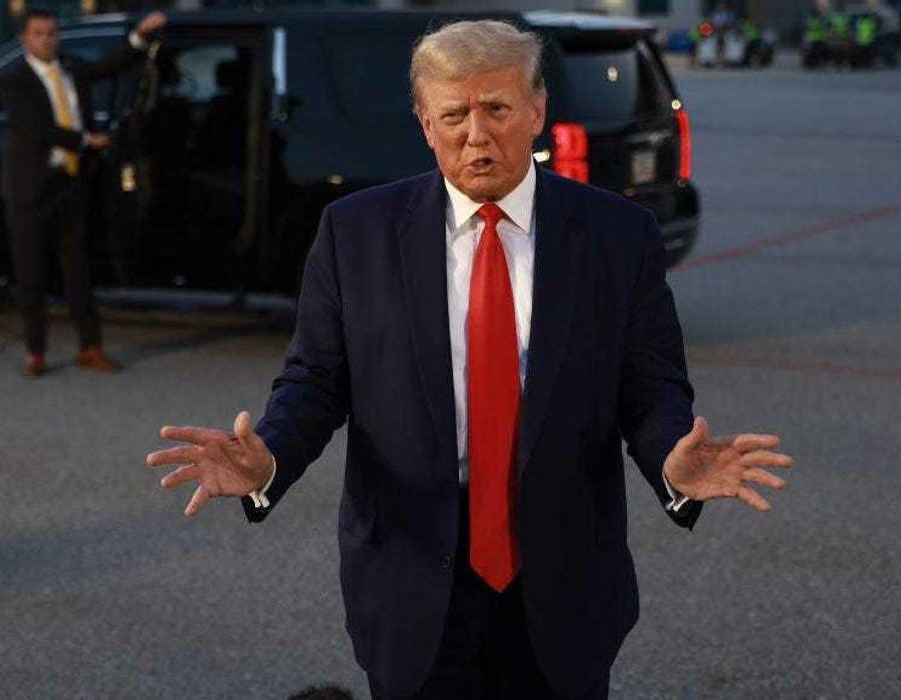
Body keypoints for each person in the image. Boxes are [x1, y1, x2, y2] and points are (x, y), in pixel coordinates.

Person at [147, 20, 793, 700]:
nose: (476, 135)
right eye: (453, 115)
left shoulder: (615, 233)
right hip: (410, 577)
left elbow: (647, 381)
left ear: (537, 110)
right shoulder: (355, 232)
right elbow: (314, 380)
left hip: (561, 575)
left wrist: (672, 460)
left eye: (497, 109)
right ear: (425, 124)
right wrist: (268, 457)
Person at [0, 8, 166, 377]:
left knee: (78, 271)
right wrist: (87, 140)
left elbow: (110, 66)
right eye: (38, 33)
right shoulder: (14, 81)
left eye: (52, 33)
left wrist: (140, 34)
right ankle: (36, 351)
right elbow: (36, 128)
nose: (47, 39)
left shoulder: (70, 68)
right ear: (25, 39)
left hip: (70, 186)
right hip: (29, 189)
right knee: (30, 273)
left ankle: (90, 347)